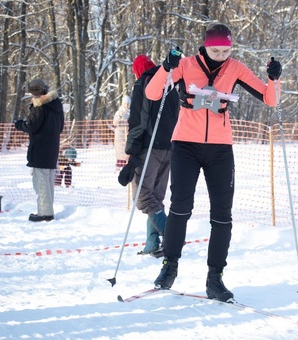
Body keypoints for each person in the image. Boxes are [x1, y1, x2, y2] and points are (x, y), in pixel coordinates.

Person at [145, 23, 282, 302]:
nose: (221, 54)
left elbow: (271, 100)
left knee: (222, 215)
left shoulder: (236, 68)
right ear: (205, 46)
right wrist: (166, 67)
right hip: (185, 145)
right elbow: (152, 93)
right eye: (215, 49)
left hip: (220, 149)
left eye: (226, 50)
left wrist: (274, 78)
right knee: (180, 207)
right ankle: (169, 266)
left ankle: (215, 278)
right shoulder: (184, 65)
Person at [118, 54, 179, 258]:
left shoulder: (143, 82)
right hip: (169, 148)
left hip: (149, 147)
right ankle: (153, 244)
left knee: (142, 196)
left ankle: (172, 237)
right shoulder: (169, 84)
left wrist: (131, 150)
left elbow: (138, 119)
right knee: (156, 198)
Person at [14, 78, 64, 222]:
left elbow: (31, 126)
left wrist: (18, 124)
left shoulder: (39, 107)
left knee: (41, 183)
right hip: (52, 148)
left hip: (40, 148)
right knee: (48, 182)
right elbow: (60, 127)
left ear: (35, 93)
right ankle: (47, 210)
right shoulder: (56, 105)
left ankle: (45, 213)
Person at [113, 95, 131, 170]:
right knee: (120, 151)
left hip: (127, 135)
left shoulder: (131, 113)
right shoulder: (119, 112)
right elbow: (115, 123)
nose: (126, 105)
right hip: (119, 136)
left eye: (128, 104)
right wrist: (120, 116)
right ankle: (118, 167)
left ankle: (126, 166)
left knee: (126, 152)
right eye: (125, 104)